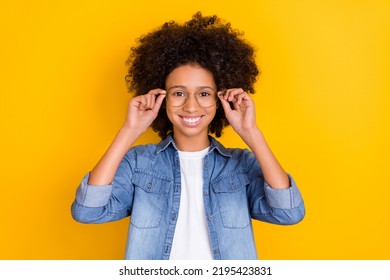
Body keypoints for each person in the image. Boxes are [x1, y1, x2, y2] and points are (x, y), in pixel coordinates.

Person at [71, 12, 305, 260]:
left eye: (204, 94)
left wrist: (251, 133)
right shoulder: (139, 163)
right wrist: (129, 131)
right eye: (179, 93)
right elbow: (87, 211)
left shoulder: (240, 165)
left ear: (219, 99)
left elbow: (288, 213)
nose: (191, 107)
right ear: (162, 98)